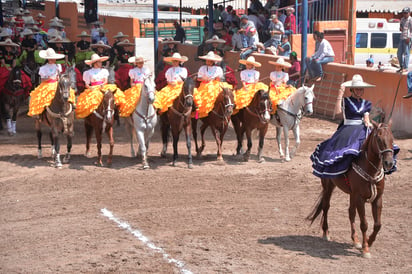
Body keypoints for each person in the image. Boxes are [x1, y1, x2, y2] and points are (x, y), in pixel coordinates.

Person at [310, 74, 399, 177]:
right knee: (348, 151)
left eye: (361, 89)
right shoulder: (345, 101)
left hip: (362, 128)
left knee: (378, 143)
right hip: (348, 129)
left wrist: (369, 124)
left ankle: (379, 169)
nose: (359, 91)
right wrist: (340, 95)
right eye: (357, 89)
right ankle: (347, 172)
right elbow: (338, 114)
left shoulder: (366, 103)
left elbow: (366, 117)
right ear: (352, 89)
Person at [27, 48, 76, 117]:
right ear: (48, 59)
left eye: (54, 58)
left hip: (57, 83)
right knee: (41, 96)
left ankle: (71, 105)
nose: (53, 59)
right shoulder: (43, 68)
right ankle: (40, 113)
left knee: (68, 91)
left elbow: (59, 76)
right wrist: (49, 78)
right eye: (51, 58)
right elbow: (42, 79)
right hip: (47, 84)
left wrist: (60, 78)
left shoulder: (58, 66)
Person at [75, 54, 125, 119]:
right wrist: (90, 87)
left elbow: (105, 80)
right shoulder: (88, 72)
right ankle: (90, 117)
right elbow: (86, 84)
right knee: (89, 102)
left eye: (100, 62)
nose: (101, 63)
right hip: (93, 88)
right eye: (99, 62)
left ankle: (116, 113)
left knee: (114, 96)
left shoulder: (104, 71)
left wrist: (103, 84)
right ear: (95, 63)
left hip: (103, 87)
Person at [193, 51, 231, 118]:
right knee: (199, 98)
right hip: (204, 85)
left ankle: (224, 111)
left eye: (210, 61)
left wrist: (217, 78)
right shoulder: (202, 68)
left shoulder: (218, 69)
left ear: (213, 61)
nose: (208, 62)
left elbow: (220, 78)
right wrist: (204, 79)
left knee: (225, 94)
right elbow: (198, 78)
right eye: (207, 60)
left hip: (215, 84)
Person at [397, 7, 411, 73]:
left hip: (407, 37)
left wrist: (409, 37)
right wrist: (400, 27)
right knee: (399, 53)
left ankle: (405, 67)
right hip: (402, 37)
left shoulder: (410, 19)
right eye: (404, 13)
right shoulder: (402, 19)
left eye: (406, 13)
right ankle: (401, 66)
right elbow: (401, 26)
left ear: (409, 13)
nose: (404, 14)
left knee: (406, 53)